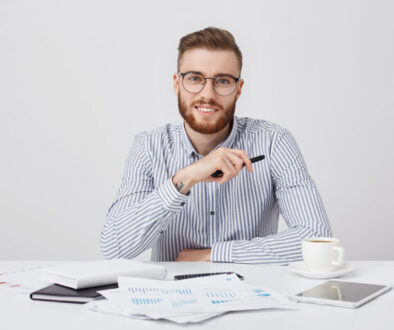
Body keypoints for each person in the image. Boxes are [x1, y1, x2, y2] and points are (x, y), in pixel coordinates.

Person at [100, 27, 332, 264]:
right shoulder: (149, 148)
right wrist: (185, 178)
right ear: (176, 84)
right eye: (194, 78)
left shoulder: (274, 142)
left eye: (222, 81)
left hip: (252, 296)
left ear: (238, 89)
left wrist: (214, 255)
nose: (207, 94)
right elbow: (113, 248)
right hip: (172, 297)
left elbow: (317, 238)